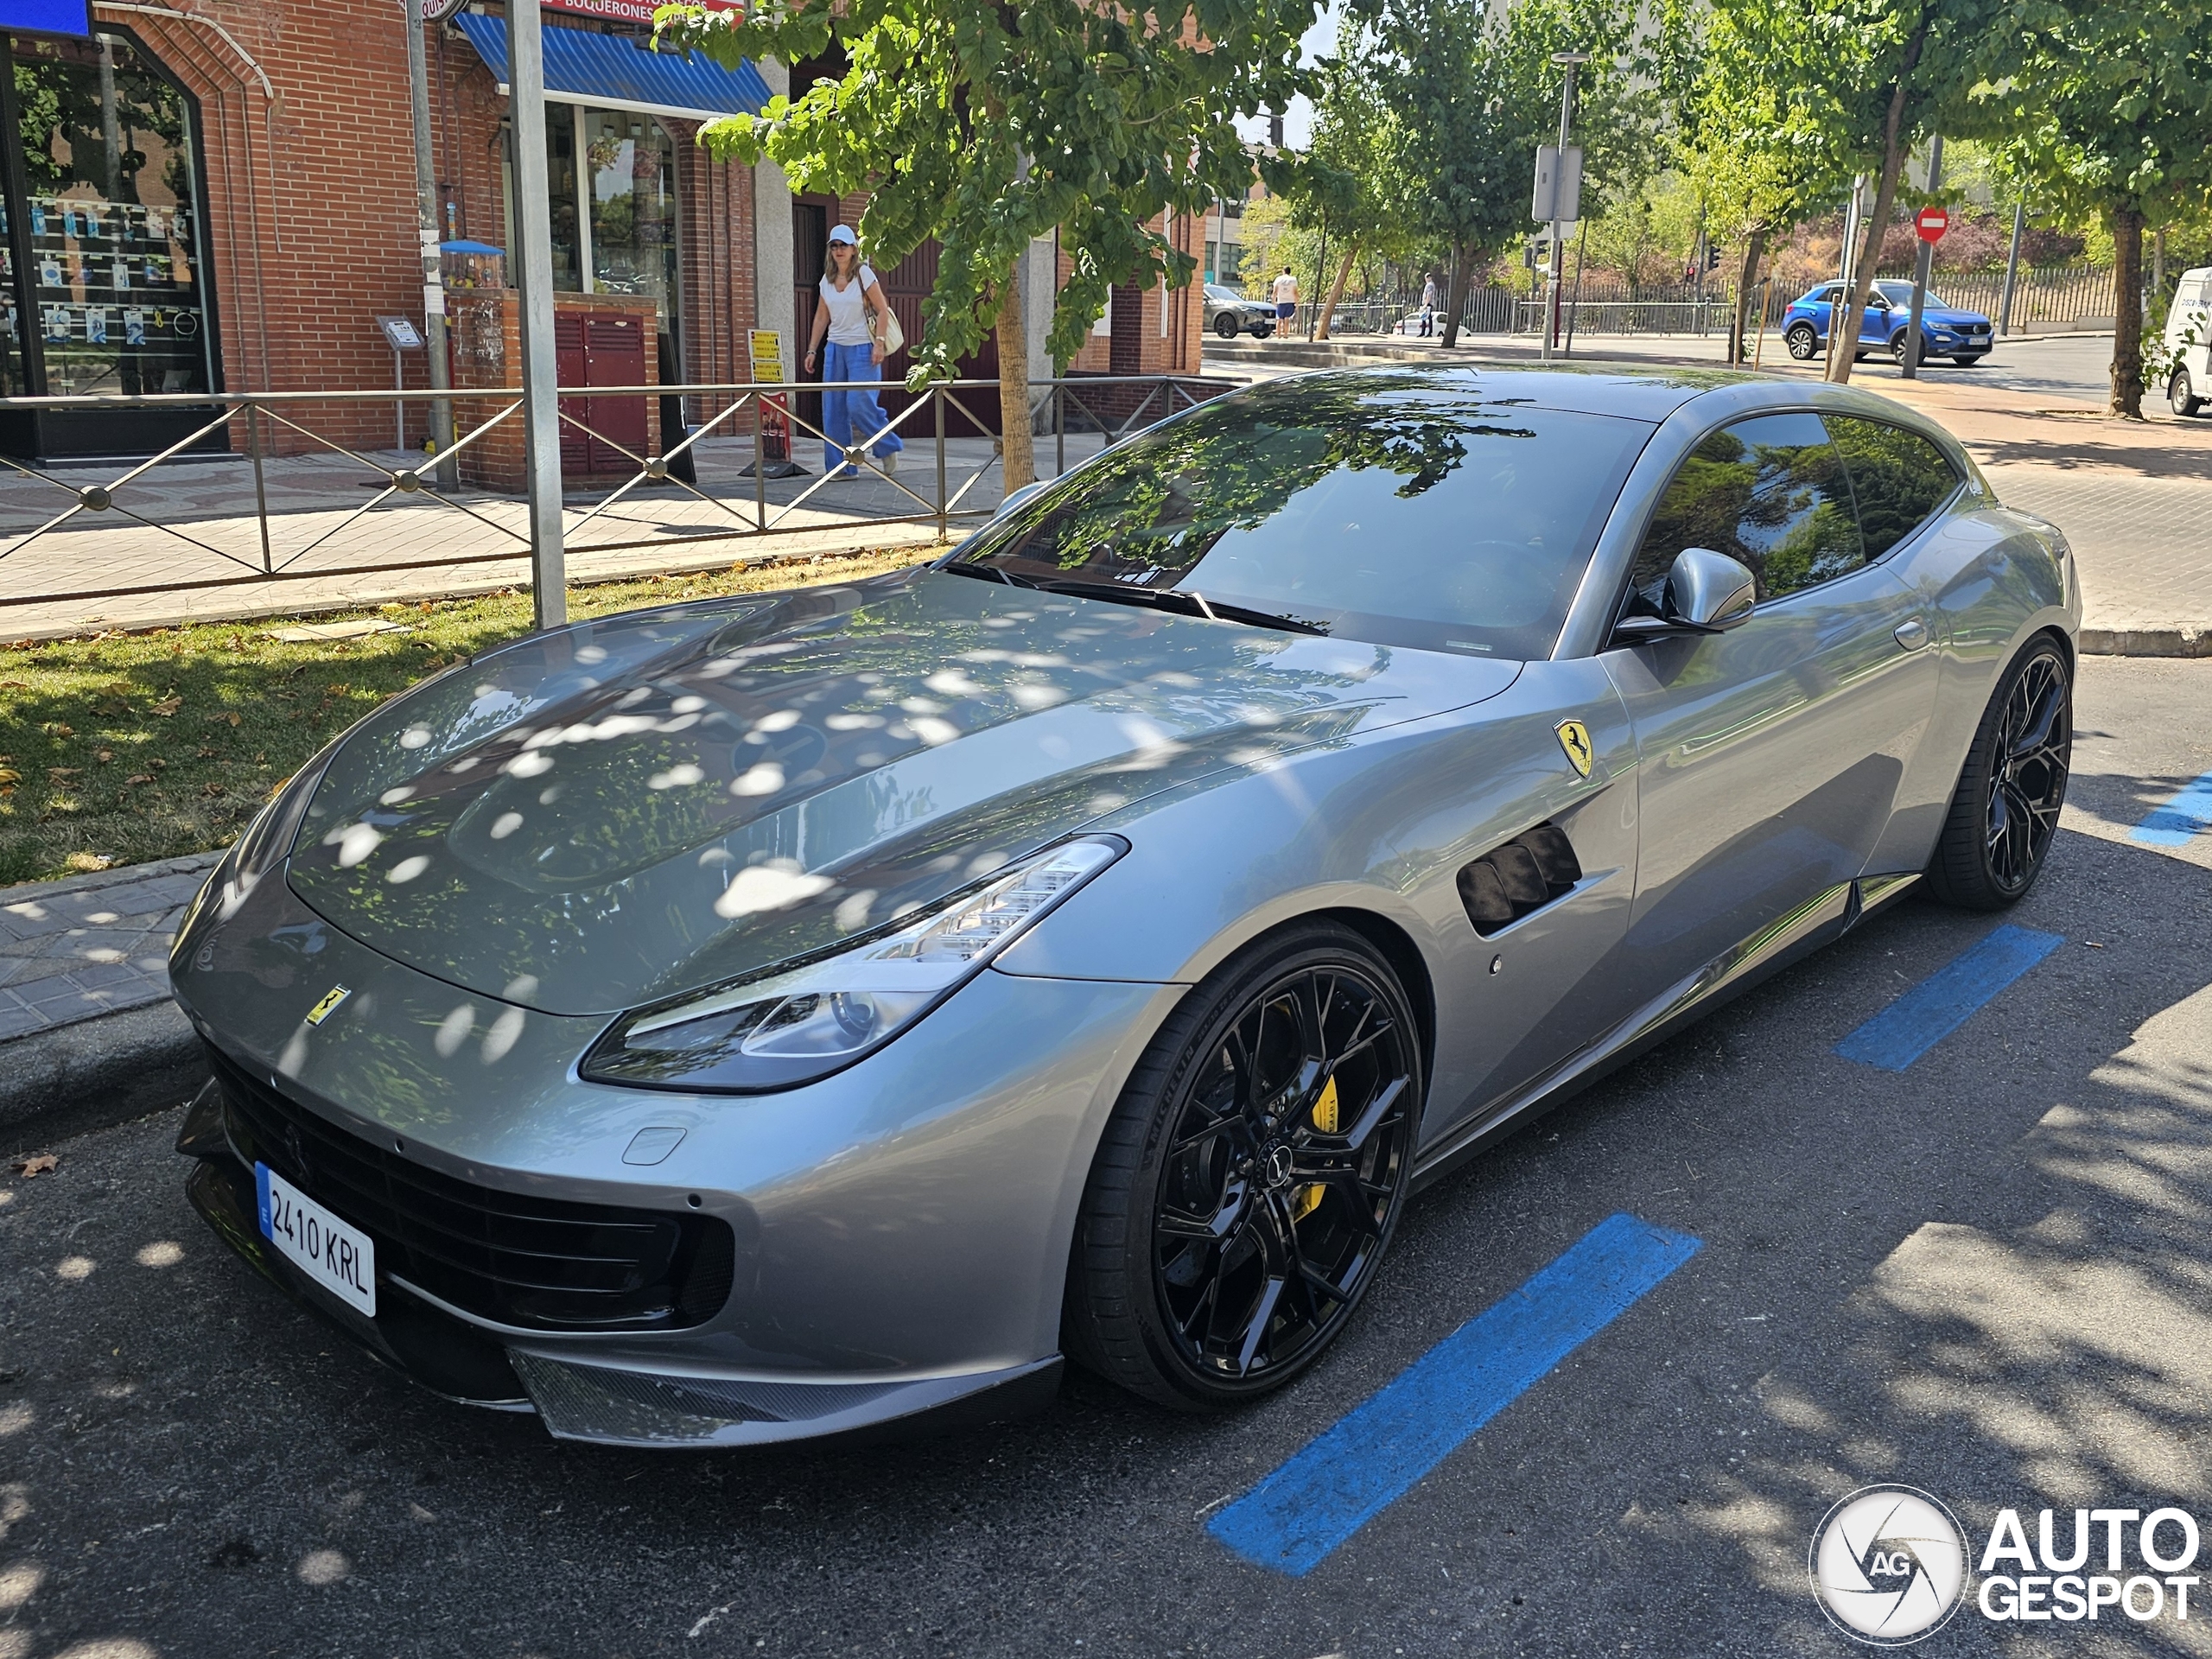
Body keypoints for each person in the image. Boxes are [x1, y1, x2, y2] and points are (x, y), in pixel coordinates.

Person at [802, 225, 905, 477]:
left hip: (863, 348)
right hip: (835, 348)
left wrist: (879, 343)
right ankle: (839, 466)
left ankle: (887, 445)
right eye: (834, 246)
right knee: (833, 409)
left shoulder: (864, 274)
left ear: (853, 249)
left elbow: (882, 310)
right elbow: (821, 317)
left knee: (859, 403)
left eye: (844, 246)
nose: (839, 250)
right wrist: (812, 350)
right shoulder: (826, 281)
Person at [1271, 266, 1299, 337]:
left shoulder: (1278, 279)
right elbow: (1295, 292)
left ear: (1283, 271)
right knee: (1287, 318)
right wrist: (1297, 302)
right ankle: (1285, 335)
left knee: (1279, 319)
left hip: (1281, 301)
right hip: (1290, 301)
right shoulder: (1293, 280)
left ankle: (1279, 335)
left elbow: (1275, 291)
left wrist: (1273, 301)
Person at [1419, 273, 1438, 337]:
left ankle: (1429, 332)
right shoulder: (1429, 285)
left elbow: (1429, 295)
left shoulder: (1430, 285)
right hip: (1427, 303)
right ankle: (1423, 332)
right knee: (1424, 317)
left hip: (1428, 303)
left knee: (1428, 317)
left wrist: (1426, 304)